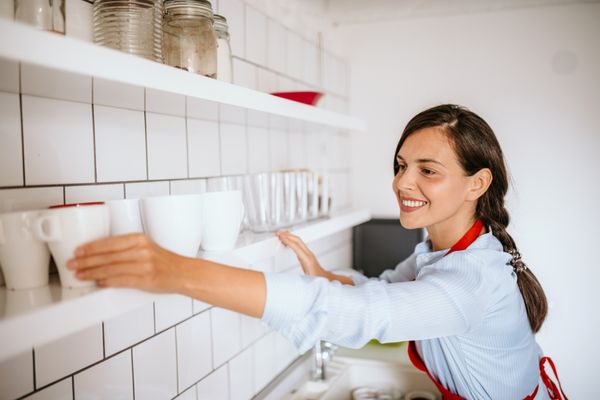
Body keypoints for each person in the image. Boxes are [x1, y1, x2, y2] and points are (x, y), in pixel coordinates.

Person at [68, 104, 565, 399]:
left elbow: (356, 313)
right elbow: (380, 291)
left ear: (478, 182)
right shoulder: (446, 252)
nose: (401, 182)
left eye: (427, 170)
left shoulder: (469, 281)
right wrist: (325, 274)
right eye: (400, 164)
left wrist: (178, 272)